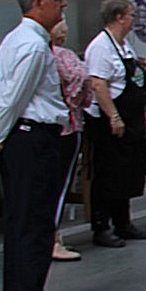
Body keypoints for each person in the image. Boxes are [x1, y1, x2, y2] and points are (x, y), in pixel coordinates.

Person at [0, 0, 79, 291]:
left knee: (21, 220)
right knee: (35, 220)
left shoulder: (14, 40)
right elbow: (13, 98)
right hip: (32, 138)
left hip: (20, 137)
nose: (62, 5)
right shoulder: (34, 46)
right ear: (38, 3)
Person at [83, 0, 146, 249]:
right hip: (108, 120)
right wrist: (113, 116)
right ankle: (101, 226)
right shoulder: (101, 47)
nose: (134, 19)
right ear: (119, 17)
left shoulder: (124, 46)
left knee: (128, 171)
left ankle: (123, 222)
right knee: (108, 173)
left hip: (131, 117)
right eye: (131, 14)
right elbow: (98, 84)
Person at [48, 19, 94, 262]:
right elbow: (83, 84)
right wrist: (74, 102)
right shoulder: (63, 56)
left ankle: (46, 236)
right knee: (60, 185)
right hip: (67, 125)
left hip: (45, 126)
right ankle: (52, 238)